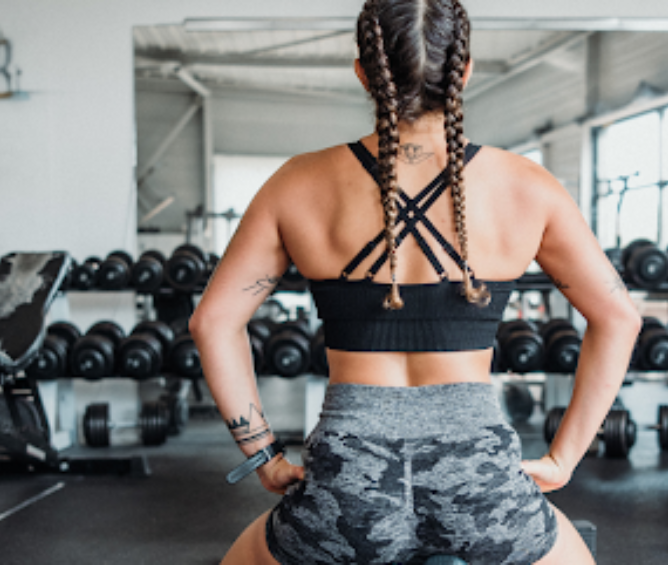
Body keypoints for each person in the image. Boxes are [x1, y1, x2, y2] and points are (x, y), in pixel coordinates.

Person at [190, 1, 642, 562]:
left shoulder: (297, 183)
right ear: (466, 70)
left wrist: (264, 455)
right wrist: (562, 459)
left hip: (348, 484)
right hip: (479, 483)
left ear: (363, 73)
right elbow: (620, 317)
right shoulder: (528, 186)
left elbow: (212, 322)